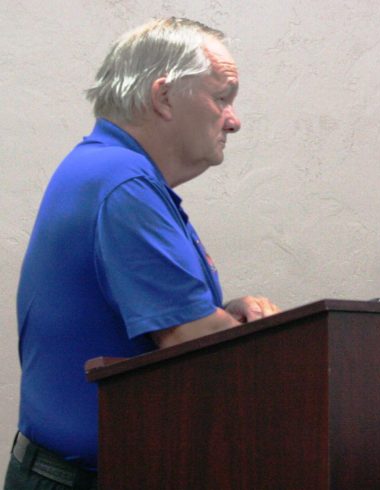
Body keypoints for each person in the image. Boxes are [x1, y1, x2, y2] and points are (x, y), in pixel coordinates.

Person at [4, 18, 280, 489]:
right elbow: (190, 343)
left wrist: (221, 316)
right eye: (222, 97)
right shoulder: (124, 185)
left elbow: (176, 325)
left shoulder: (103, 169)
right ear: (163, 97)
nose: (234, 119)